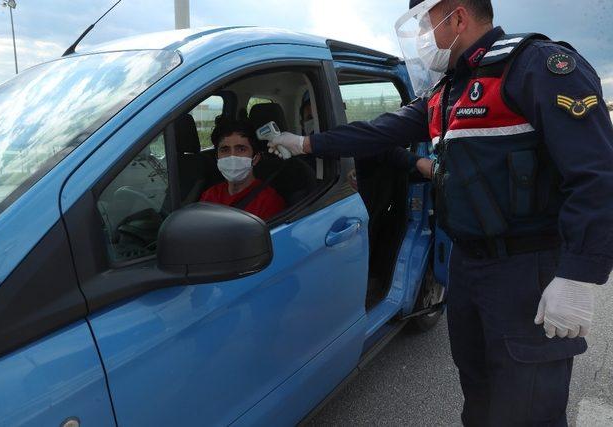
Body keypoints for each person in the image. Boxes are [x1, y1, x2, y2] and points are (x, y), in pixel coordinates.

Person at [267, 0, 613, 425]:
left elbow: (597, 175)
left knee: (529, 408)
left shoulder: (535, 67)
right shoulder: (447, 91)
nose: (423, 36)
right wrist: (304, 144)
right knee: (480, 395)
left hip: (528, 270)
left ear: (458, 16)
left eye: (425, 22)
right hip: (469, 269)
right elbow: (379, 132)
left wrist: (578, 275)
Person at [200, 118, 285, 221]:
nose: (232, 156)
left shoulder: (269, 201)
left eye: (241, 149)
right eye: (225, 150)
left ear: (255, 158)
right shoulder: (210, 196)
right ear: (217, 158)